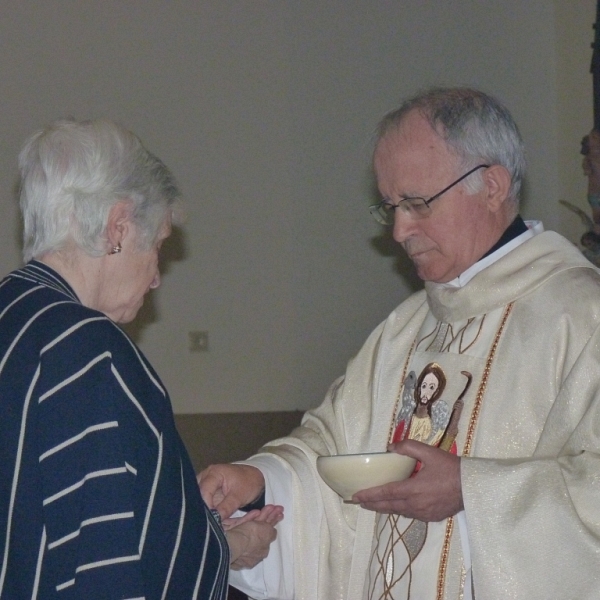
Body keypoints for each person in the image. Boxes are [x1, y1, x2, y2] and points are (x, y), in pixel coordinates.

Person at [200, 87, 600, 599]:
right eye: (390, 207)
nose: (399, 230)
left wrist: (471, 490)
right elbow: (331, 448)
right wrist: (259, 481)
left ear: (493, 186)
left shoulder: (580, 317)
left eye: (415, 203)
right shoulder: (406, 328)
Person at [0, 118, 281, 599]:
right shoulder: (90, 352)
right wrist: (228, 548)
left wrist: (207, 532)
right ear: (118, 227)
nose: (155, 278)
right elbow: (118, 562)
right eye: (157, 246)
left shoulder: (11, 314)